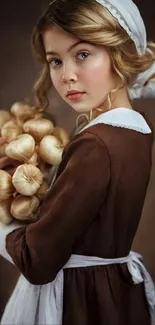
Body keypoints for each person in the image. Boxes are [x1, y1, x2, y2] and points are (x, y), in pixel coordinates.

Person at [0, 0, 155, 324]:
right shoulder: (134, 129)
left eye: (83, 54)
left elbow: (37, 262)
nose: (67, 75)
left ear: (119, 52)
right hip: (114, 292)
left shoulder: (96, 143)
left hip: (79, 303)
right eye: (55, 60)